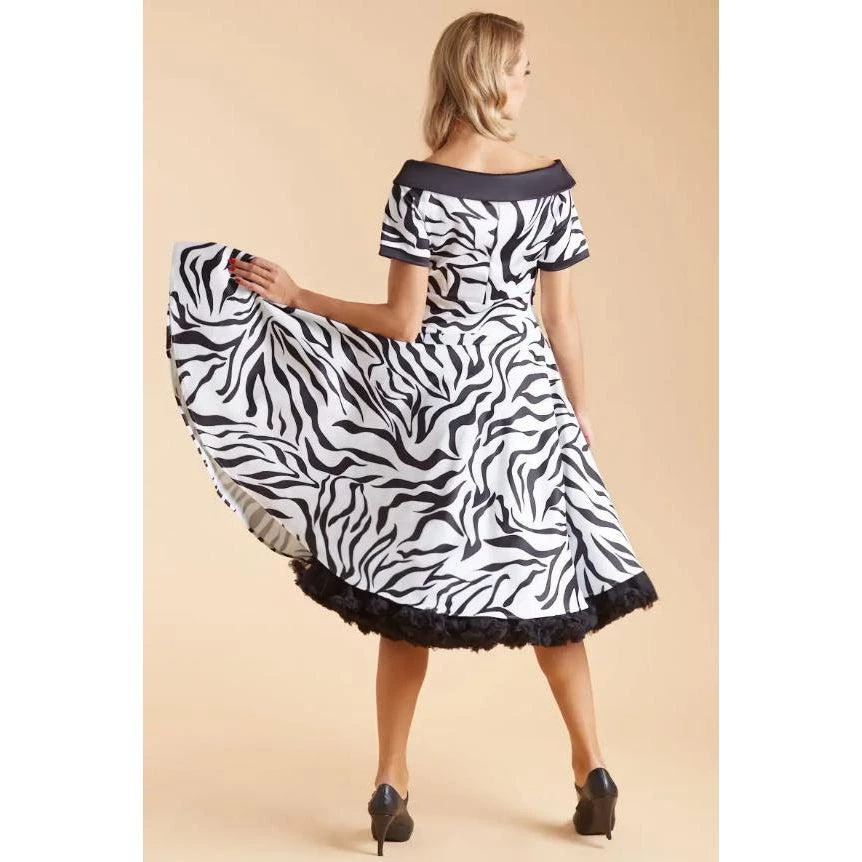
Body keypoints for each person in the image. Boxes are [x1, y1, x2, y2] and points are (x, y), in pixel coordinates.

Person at [165, 10, 658, 855]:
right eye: (522, 69)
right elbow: (561, 319)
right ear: (490, 76)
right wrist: (574, 415)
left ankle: (391, 781)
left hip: (440, 410)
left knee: (408, 596)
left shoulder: (421, 184)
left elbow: (402, 322)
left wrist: (301, 298)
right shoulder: (549, 183)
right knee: (555, 600)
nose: (528, 82)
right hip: (526, 405)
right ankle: (594, 768)